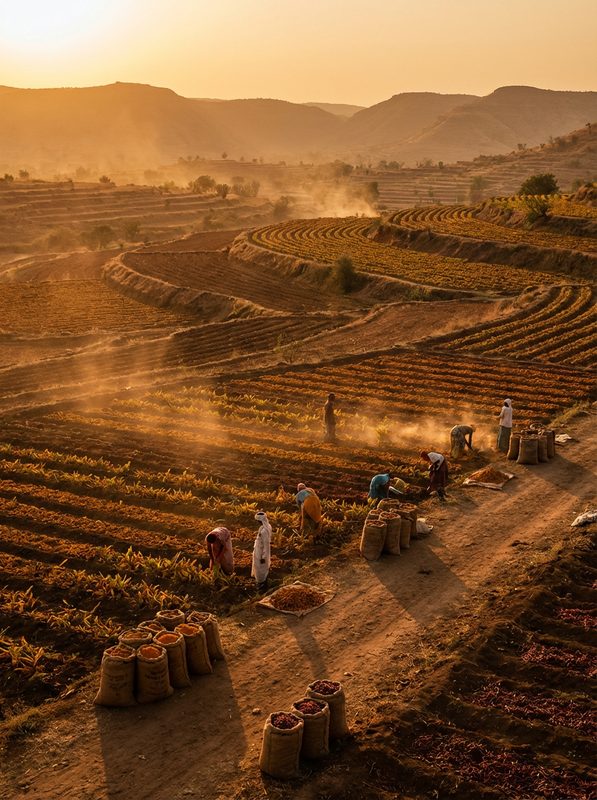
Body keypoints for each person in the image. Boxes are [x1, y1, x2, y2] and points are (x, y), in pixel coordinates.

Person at [252, 511, 272, 591]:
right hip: (258, 550)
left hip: (261, 553)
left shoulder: (264, 531)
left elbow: (266, 545)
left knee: (261, 568)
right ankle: (262, 583)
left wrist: (263, 557)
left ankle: (262, 585)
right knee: (260, 568)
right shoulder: (266, 527)